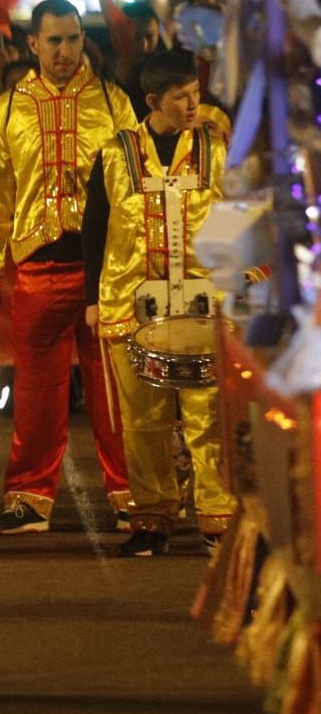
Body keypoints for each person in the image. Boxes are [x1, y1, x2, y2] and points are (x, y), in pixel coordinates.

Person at [0, 0, 134, 535]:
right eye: (54, 41)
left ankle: (132, 493)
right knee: (37, 389)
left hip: (108, 270)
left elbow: (137, 183)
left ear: (82, 40)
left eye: (72, 39)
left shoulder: (114, 103)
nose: (64, 50)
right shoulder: (9, 108)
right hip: (38, 265)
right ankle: (29, 498)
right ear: (33, 44)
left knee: (114, 387)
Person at [82, 50, 233, 556]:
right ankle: (152, 518)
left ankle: (217, 518)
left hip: (202, 305)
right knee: (142, 420)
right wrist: (91, 299)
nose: (194, 105)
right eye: (181, 98)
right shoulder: (113, 152)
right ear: (153, 101)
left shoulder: (215, 149)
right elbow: (95, 229)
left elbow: (236, 217)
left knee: (207, 413)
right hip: (130, 301)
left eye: (196, 94)